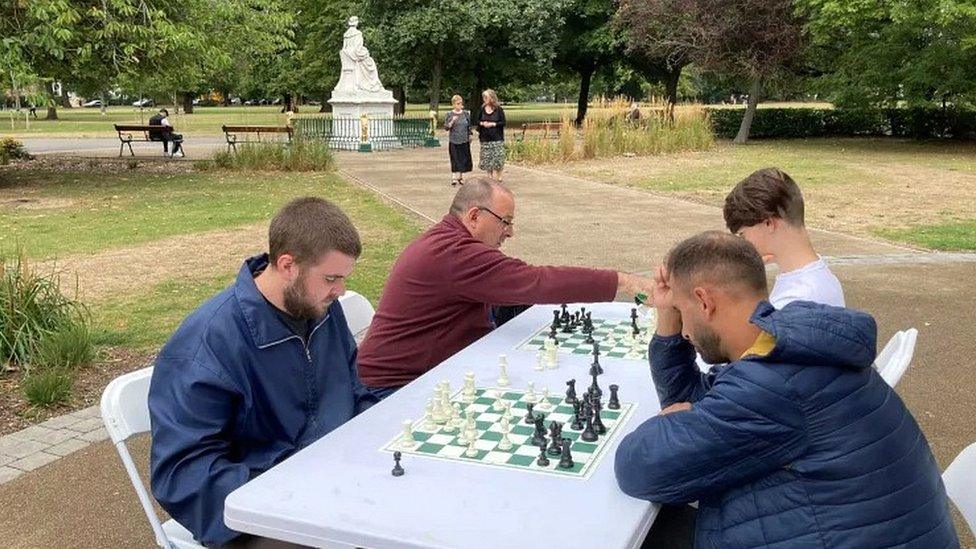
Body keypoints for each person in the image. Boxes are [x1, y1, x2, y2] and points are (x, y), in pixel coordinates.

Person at [614, 232, 958, 548]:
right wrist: (667, 319)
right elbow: (688, 400)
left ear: (704, 302)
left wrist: (669, 422)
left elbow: (638, 469)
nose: (686, 330)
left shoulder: (774, 384)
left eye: (681, 311)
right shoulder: (788, 346)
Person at [149, 197, 378, 547]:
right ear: (288, 265)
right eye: (331, 278)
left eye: (344, 278)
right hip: (256, 514)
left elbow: (353, 389)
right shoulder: (206, 345)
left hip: (334, 481)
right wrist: (291, 487)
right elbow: (183, 475)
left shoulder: (319, 307)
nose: (341, 291)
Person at [356, 177, 652, 398]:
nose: (510, 232)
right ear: (474, 216)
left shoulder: (448, 241)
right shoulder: (453, 254)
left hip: (422, 373)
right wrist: (625, 281)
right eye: (505, 222)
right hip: (390, 389)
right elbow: (537, 282)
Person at [723, 167, 844, 309]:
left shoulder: (795, 301)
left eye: (743, 235)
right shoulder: (820, 279)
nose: (744, 244)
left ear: (768, 223)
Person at [476, 89, 506, 180]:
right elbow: (477, 120)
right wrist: (482, 123)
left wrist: (493, 124)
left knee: (498, 157)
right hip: (485, 137)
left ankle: (499, 176)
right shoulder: (482, 109)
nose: (484, 99)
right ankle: (489, 176)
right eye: (483, 97)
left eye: (486, 97)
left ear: (492, 98)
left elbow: (503, 122)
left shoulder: (499, 109)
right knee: (487, 158)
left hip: (497, 137)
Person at [444, 94, 473, 186]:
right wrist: (452, 121)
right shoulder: (449, 114)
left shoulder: (465, 114)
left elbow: (469, 126)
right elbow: (446, 127)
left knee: (463, 158)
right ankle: (453, 177)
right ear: (453, 104)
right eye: (457, 104)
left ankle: (460, 177)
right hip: (454, 140)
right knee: (455, 158)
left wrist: (470, 135)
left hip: (464, 139)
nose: (459, 105)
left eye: (460, 103)